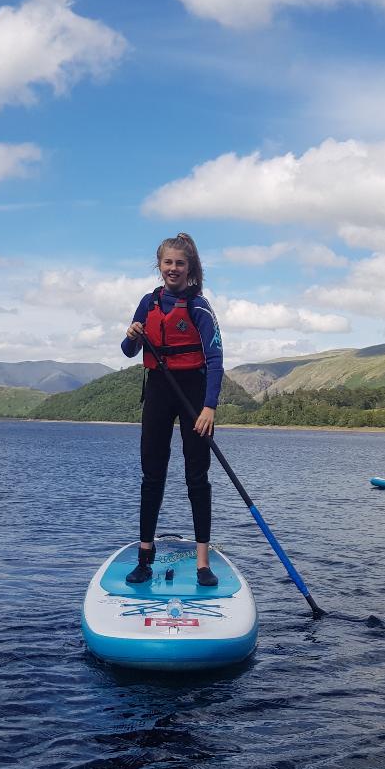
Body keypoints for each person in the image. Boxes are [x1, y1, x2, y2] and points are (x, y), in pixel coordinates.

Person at [119, 232, 224, 588]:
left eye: (180, 263)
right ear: (159, 265)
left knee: (197, 476)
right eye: (168, 263)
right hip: (159, 390)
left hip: (193, 392)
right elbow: (127, 351)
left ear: (190, 267)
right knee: (152, 474)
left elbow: (215, 358)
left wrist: (209, 406)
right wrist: (132, 335)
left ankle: (202, 563)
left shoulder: (199, 306)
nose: (173, 269)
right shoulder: (148, 303)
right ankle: (144, 558)